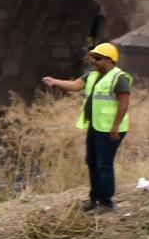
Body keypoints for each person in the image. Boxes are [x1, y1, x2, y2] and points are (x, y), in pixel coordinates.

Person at [40, 43, 131, 213]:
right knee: (92, 162)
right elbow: (74, 85)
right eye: (93, 58)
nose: (94, 61)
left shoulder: (119, 78)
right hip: (96, 126)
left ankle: (106, 203)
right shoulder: (93, 75)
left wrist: (116, 126)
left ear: (110, 60)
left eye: (98, 58)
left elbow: (124, 102)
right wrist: (54, 82)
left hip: (111, 129)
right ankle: (94, 199)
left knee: (104, 164)